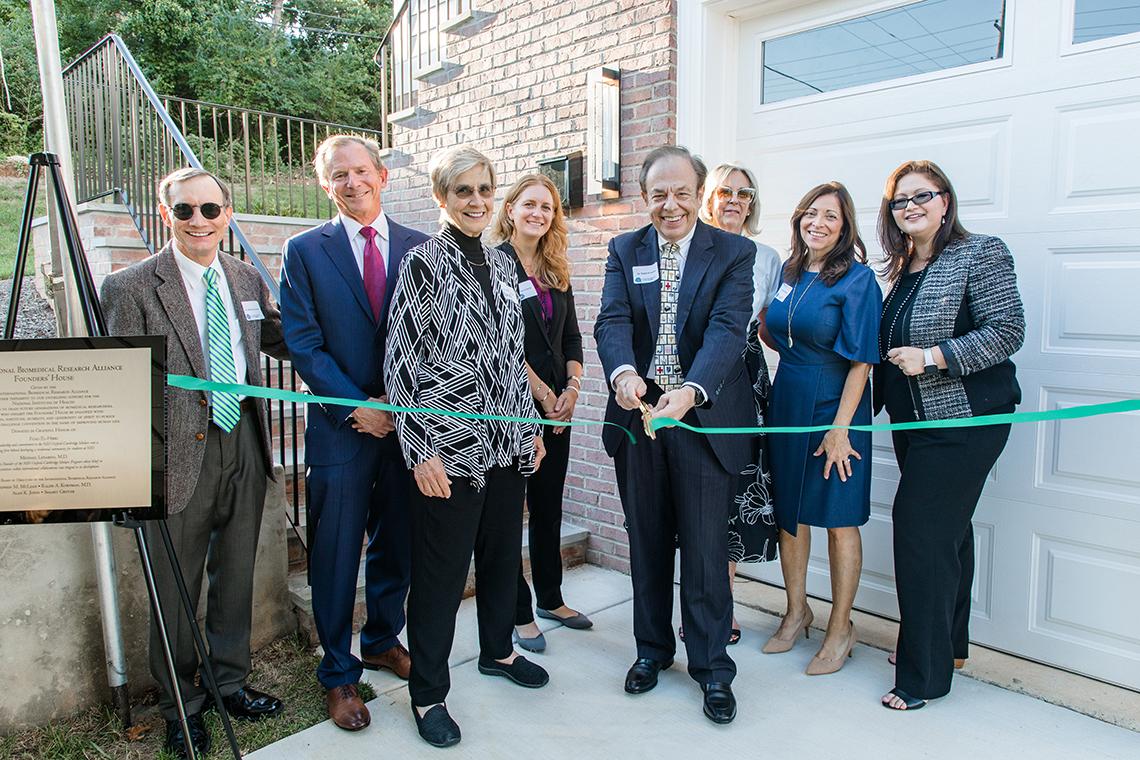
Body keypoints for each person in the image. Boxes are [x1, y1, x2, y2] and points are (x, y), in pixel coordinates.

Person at [100, 168, 288, 758]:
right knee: (177, 589)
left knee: (234, 577)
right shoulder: (131, 286)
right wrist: (127, 480)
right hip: (177, 457)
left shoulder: (244, 276)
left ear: (227, 214)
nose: (200, 220)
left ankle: (228, 682)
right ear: (166, 215)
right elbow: (117, 386)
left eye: (211, 209)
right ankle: (182, 703)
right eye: (186, 210)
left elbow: (280, 338)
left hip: (245, 446)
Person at [385, 146, 548, 748]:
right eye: (463, 192)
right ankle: (428, 694)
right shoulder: (423, 263)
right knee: (441, 576)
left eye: (484, 190)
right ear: (442, 199)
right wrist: (419, 450)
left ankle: (498, 652)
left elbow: (513, 358)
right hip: (448, 450)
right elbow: (400, 361)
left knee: (504, 560)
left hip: (506, 444)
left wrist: (529, 428)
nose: (476, 201)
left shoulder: (507, 268)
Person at [594, 145, 755, 725]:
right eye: (658, 193)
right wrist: (624, 373)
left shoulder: (734, 252)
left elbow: (727, 330)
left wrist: (690, 391)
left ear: (699, 193)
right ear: (645, 197)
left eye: (681, 192)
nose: (670, 204)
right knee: (648, 544)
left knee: (708, 552)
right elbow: (611, 320)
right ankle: (652, 651)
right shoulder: (623, 249)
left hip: (701, 417)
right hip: (639, 418)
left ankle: (712, 668)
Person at [278, 135, 429, 731]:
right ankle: (339, 674)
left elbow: (438, 333)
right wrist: (353, 406)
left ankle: (381, 638)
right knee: (337, 554)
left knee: (399, 543)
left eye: (361, 171)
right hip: (342, 430)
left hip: (409, 429)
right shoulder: (303, 251)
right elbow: (303, 341)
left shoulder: (424, 246)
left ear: (383, 175)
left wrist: (409, 408)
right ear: (325, 184)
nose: (352, 183)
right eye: (338, 175)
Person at [875, 160, 1024, 711]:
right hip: (914, 424)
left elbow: (1008, 331)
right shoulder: (899, 271)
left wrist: (934, 358)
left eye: (922, 195)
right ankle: (947, 645)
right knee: (948, 533)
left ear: (945, 201)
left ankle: (924, 675)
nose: (911, 206)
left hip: (965, 421)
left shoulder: (980, 252)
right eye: (899, 200)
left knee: (920, 533)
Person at [761, 181, 881, 676]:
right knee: (791, 511)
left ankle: (840, 628)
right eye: (811, 213)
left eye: (830, 216)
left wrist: (841, 429)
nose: (818, 223)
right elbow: (774, 329)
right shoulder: (789, 272)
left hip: (837, 403)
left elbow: (862, 362)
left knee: (837, 517)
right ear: (798, 219)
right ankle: (796, 611)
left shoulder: (857, 280)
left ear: (844, 225)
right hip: (788, 396)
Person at [491, 173, 589, 652]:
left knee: (549, 507)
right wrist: (541, 393)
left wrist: (571, 387)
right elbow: (500, 343)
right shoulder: (491, 266)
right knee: (511, 512)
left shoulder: (555, 270)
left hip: (557, 409)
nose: (538, 214)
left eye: (547, 207)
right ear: (510, 209)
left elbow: (571, 338)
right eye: (529, 204)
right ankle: (518, 611)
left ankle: (551, 595)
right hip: (510, 408)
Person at [699, 162, 782, 646]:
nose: (735, 200)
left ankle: (722, 603)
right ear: (708, 197)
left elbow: (773, 324)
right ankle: (699, 599)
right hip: (693, 373)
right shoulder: (689, 247)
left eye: (745, 193)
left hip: (744, 378)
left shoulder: (767, 257)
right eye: (725, 191)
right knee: (696, 492)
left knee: (734, 490)